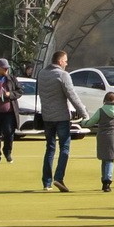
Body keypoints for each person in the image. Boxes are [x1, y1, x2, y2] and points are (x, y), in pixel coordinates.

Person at [37, 52, 85, 191]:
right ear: (59, 61)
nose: (66, 63)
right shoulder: (63, 75)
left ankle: (47, 182)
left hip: (46, 116)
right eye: (65, 61)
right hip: (61, 117)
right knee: (64, 147)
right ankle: (59, 178)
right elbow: (72, 95)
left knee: (50, 148)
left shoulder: (42, 73)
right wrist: (83, 113)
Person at [90, 90, 114, 194]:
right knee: (110, 160)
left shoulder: (101, 110)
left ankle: (104, 180)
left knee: (104, 159)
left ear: (105, 100)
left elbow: (92, 121)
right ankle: (107, 181)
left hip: (102, 136)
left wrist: (83, 122)